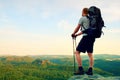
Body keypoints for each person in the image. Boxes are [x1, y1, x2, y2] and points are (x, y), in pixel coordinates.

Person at [71, 8, 95, 75]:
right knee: (90, 54)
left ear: (83, 12)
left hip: (86, 37)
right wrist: (77, 35)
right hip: (92, 38)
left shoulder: (83, 18)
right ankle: (90, 70)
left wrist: (74, 33)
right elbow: (86, 30)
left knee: (77, 52)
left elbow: (78, 27)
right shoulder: (91, 19)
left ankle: (80, 69)